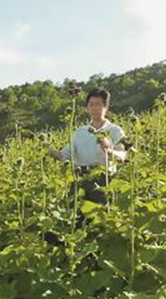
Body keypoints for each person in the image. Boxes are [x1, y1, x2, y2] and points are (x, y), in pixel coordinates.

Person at [49, 87, 127, 229]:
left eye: (98, 104)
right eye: (91, 104)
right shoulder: (80, 132)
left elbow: (123, 155)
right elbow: (65, 155)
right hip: (80, 178)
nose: (94, 108)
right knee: (75, 218)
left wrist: (110, 152)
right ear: (87, 108)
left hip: (104, 179)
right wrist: (49, 150)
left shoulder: (115, 130)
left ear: (106, 107)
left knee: (101, 218)